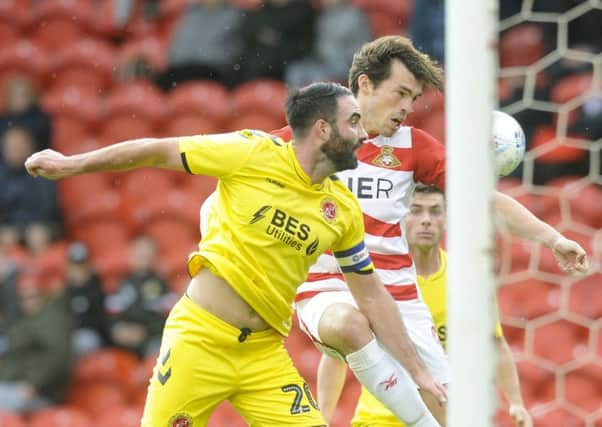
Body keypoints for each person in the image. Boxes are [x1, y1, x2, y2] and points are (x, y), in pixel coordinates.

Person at [24, 82, 446, 427]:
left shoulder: (344, 211)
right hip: (200, 339)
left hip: (263, 353)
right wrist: (72, 165)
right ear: (323, 129)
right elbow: (156, 150)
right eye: (353, 122)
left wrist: (419, 370)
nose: (363, 133)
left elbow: (372, 296)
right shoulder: (251, 153)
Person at [270, 36, 588, 426]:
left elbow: (481, 199)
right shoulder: (314, 137)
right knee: (349, 323)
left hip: (398, 299)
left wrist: (553, 238)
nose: (407, 106)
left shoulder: (413, 148)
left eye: (414, 97)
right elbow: (246, 167)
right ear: (365, 84)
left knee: (453, 411)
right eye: (401, 93)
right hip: (329, 288)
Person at [318, 184, 533, 427]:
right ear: (400, 217)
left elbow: (494, 341)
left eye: (435, 211)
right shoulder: (372, 280)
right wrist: (323, 417)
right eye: (416, 211)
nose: (426, 220)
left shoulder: (468, 279)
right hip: (378, 420)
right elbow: (336, 353)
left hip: (443, 417)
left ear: (446, 218)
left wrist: (516, 402)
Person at [0, 271, 72, 411]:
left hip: (38, 394)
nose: (28, 301)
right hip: (13, 385)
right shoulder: (26, 319)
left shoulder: (52, 318)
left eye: (33, 296)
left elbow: (58, 356)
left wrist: (34, 385)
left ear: (43, 294)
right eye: (23, 297)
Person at [106, 235, 172, 357]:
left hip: (151, 340)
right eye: (139, 251)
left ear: (154, 256)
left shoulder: (162, 285)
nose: (143, 256)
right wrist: (118, 330)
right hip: (124, 343)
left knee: (158, 350)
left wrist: (145, 331)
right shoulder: (121, 284)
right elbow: (110, 316)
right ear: (132, 253)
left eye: (147, 252)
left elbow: (170, 319)